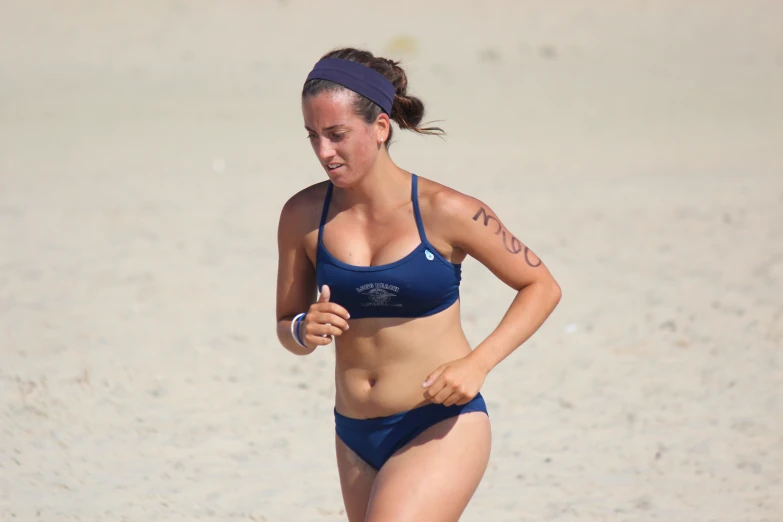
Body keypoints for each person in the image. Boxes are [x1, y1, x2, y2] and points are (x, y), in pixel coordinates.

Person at [275, 47, 562, 522]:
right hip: (353, 432)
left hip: (438, 420)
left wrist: (478, 364)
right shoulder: (303, 216)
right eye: (313, 136)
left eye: (337, 134)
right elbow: (287, 326)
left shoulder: (447, 210)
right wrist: (304, 328)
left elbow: (541, 286)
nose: (323, 151)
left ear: (381, 127)